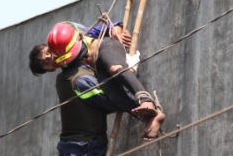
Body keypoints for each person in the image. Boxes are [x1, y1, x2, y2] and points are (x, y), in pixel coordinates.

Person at [28, 22, 165, 155]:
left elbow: (104, 27)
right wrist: (133, 71)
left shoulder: (66, 76)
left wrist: (115, 30)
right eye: (46, 61)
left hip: (73, 146)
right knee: (114, 87)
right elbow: (112, 103)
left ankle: (147, 107)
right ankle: (148, 113)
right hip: (85, 147)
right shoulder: (81, 80)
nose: (50, 56)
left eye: (48, 52)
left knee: (115, 71)